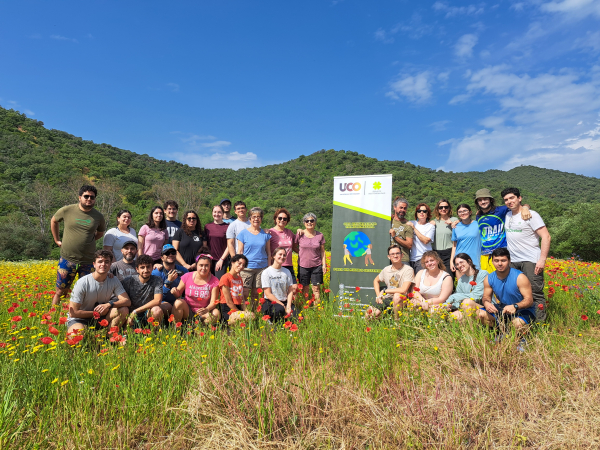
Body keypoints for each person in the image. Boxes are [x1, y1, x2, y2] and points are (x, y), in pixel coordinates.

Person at [51, 185, 107, 306]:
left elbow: (100, 233)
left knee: (87, 292)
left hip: (88, 260)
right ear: (80, 197)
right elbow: (54, 221)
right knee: (61, 291)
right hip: (67, 259)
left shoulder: (98, 216)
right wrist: (57, 240)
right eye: (86, 196)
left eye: (92, 197)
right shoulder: (67, 210)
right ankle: (52, 316)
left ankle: (82, 318)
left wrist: (89, 240)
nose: (89, 199)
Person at [502, 187, 551, 321]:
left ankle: (540, 325)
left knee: (535, 293)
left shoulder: (531, 215)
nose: (509, 201)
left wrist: (542, 260)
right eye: (506, 199)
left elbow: (546, 237)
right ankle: (523, 321)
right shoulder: (507, 215)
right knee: (517, 293)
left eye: (512, 198)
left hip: (531, 260)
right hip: (513, 261)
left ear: (519, 198)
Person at [66, 250, 131, 335]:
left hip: (101, 318)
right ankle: (92, 338)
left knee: (124, 310)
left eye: (106, 262)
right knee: (76, 335)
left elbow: (127, 301)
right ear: (94, 264)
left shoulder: (113, 280)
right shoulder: (83, 282)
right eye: (100, 261)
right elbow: (73, 312)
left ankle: (109, 337)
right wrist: (96, 314)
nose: (103, 264)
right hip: (80, 318)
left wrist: (109, 305)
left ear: (110, 265)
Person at [476, 248, 535, 340]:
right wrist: (487, 303)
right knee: (479, 314)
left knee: (518, 323)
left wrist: (515, 306)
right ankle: (500, 333)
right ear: (492, 262)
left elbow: (529, 300)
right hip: (503, 308)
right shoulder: (489, 278)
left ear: (509, 261)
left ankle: (522, 338)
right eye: (496, 261)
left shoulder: (520, 277)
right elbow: (486, 297)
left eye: (503, 260)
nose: (499, 264)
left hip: (522, 310)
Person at [474, 188, 530, 273]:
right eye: (480, 200)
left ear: (491, 200)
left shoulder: (501, 210)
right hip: (485, 254)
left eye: (485, 199)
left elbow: (518, 206)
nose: (483, 202)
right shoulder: (479, 215)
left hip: (500, 253)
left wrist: (525, 208)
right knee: (487, 281)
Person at [171, 251, 221, 325]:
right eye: (201, 265)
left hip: (204, 312)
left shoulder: (214, 281)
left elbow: (213, 302)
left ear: (210, 266)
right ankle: (175, 329)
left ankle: (199, 328)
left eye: (206, 265)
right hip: (188, 310)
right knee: (178, 302)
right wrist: (174, 291)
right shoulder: (187, 276)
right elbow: (178, 294)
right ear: (196, 265)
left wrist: (207, 309)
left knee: (216, 313)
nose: (203, 268)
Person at [237, 207, 272, 306]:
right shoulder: (243, 234)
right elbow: (240, 252)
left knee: (256, 294)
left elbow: (269, 252)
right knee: (244, 293)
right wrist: (238, 269)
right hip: (246, 268)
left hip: (261, 268)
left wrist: (269, 269)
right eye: (254, 217)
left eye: (259, 217)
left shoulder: (266, 234)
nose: (256, 219)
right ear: (250, 219)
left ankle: (255, 314)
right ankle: (244, 313)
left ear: (261, 219)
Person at [370, 245, 414, 320]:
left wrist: (384, 291)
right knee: (370, 314)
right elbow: (376, 280)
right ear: (389, 257)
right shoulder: (386, 269)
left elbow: (403, 290)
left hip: (403, 299)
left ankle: (397, 323)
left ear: (402, 255)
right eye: (392, 254)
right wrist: (378, 296)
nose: (395, 256)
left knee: (397, 296)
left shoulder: (408, 269)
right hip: (388, 298)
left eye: (397, 253)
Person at [443, 253, 488, 321]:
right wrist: (448, 305)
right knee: (453, 317)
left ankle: (472, 331)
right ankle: (466, 331)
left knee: (467, 302)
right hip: (467, 308)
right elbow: (458, 299)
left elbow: (477, 296)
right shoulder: (461, 279)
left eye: (461, 262)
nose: (459, 265)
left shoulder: (483, 274)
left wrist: (453, 297)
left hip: (484, 307)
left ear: (469, 261)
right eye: (457, 264)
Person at [122, 255, 164, 327]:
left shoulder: (157, 280)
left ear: (152, 268)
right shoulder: (128, 280)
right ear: (137, 269)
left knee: (157, 310)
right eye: (142, 267)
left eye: (148, 267)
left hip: (147, 312)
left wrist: (136, 311)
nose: (146, 270)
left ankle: (154, 334)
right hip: (130, 313)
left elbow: (158, 300)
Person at [297, 212, 327, 303]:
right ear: (304, 223)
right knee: (304, 289)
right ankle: (306, 308)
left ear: (315, 222)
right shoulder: (299, 234)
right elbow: (294, 246)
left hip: (316, 265)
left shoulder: (320, 235)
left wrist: (324, 265)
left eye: (312, 220)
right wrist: (301, 254)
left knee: (316, 288)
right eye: (307, 221)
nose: (309, 222)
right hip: (303, 265)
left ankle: (317, 309)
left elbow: (322, 251)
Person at [261, 247, 296, 322]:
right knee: (279, 310)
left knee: (296, 316)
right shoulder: (266, 272)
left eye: (284, 255)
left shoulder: (287, 271)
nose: (282, 257)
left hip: (284, 301)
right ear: (274, 256)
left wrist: (289, 306)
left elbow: (290, 290)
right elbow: (268, 294)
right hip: (271, 302)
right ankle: (269, 322)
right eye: (280, 254)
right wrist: (282, 305)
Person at [152, 244, 188, 313]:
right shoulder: (156, 273)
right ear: (162, 257)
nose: (170, 255)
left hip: (178, 302)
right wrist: (168, 282)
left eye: (173, 252)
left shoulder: (184, 271)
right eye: (167, 253)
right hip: (162, 303)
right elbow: (156, 298)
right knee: (167, 306)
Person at [218, 254, 251, 323]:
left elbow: (242, 298)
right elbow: (228, 302)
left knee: (250, 316)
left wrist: (246, 311)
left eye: (243, 265)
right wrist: (241, 313)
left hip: (238, 306)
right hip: (228, 309)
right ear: (232, 262)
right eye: (239, 263)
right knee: (248, 317)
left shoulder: (239, 279)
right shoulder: (225, 278)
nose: (241, 266)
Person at [430, 199, 458, 281]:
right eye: (441, 207)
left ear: (449, 208)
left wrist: (455, 222)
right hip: (435, 253)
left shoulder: (454, 220)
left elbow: (465, 221)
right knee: (436, 278)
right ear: (437, 209)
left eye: (446, 207)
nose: (443, 209)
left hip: (449, 253)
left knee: (449, 277)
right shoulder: (433, 222)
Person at [268, 208, 297, 283]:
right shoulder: (270, 232)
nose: (282, 220)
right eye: (280, 218)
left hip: (288, 265)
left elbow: (298, 241)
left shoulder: (289, 232)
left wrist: (302, 230)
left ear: (287, 221)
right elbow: (266, 250)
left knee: (293, 288)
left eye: (285, 219)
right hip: (275, 266)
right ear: (275, 219)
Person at [451, 204, 482, 272]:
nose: (463, 213)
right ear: (458, 214)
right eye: (460, 212)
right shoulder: (455, 227)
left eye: (465, 210)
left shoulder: (478, 224)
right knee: (462, 282)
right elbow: (454, 245)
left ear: (470, 212)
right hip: (460, 261)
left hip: (475, 260)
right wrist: (451, 261)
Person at [407, 203, 435, 272]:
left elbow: (426, 240)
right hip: (411, 259)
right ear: (416, 213)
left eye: (424, 211)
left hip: (423, 259)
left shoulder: (430, 226)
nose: (421, 212)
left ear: (427, 214)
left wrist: (414, 228)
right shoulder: (411, 222)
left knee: (420, 281)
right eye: (419, 211)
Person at [204, 205, 230, 279]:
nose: (217, 214)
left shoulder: (227, 227)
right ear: (212, 213)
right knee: (208, 282)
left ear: (222, 214)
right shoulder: (207, 226)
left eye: (219, 212)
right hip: (209, 260)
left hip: (221, 260)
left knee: (219, 283)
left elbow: (230, 245)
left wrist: (221, 259)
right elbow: (205, 244)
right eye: (215, 212)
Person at [389, 197, 414, 264]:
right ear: (394, 207)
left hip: (402, 260)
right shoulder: (388, 220)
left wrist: (395, 237)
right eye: (401, 207)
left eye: (405, 208)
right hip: (388, 259)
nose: (403, 210)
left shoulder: (407, 225)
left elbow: (409, 245)